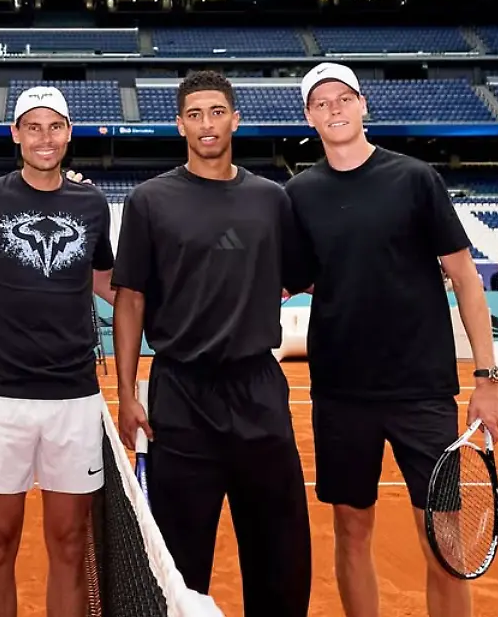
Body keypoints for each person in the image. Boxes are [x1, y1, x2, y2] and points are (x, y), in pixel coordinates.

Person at [284, 61, 498, 617]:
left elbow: (465, 278)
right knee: (350, 531)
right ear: (309, 117)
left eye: (343, 98)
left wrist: (486, 378)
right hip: (339, 393)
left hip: (422, 391)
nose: (333, 109)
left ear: (363, 105)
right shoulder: (298, 195)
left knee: (444, 541)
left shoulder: (415, 179)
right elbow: (290, 280)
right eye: (321, 103)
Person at [112, 70, 312, 617]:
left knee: (280, 555)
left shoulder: (271, 198)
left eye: (217, 112)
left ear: (235, 119)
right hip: (181, 393)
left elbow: (299, 273)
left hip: (259, 390)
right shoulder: (150, 201)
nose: (207, 124)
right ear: (180, 124)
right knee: (179, 562)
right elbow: (129, 299)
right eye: (195, 114)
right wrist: (129, 395)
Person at [0, 86, 116, 617]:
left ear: (69, 134)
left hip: (74, 399)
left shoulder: (91, 204)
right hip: (0, 398)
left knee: (70, 545)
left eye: (55, 127)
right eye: (33, 127)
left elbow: (111, 286)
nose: (45, 138)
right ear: (15, 133)